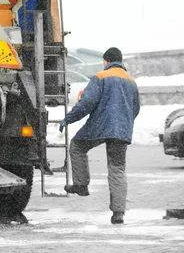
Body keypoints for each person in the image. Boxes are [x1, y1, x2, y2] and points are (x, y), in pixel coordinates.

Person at [60, 47, 140, 225]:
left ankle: (81, 185)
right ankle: (118, 213)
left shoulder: (100, 77)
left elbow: (86, 103)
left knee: (78, 146)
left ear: (106, 61)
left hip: (99, 127)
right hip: (121, 131)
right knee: (117, 168)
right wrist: (123, 125)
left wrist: (68, 119)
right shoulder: (131, 81)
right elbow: (135, 109)